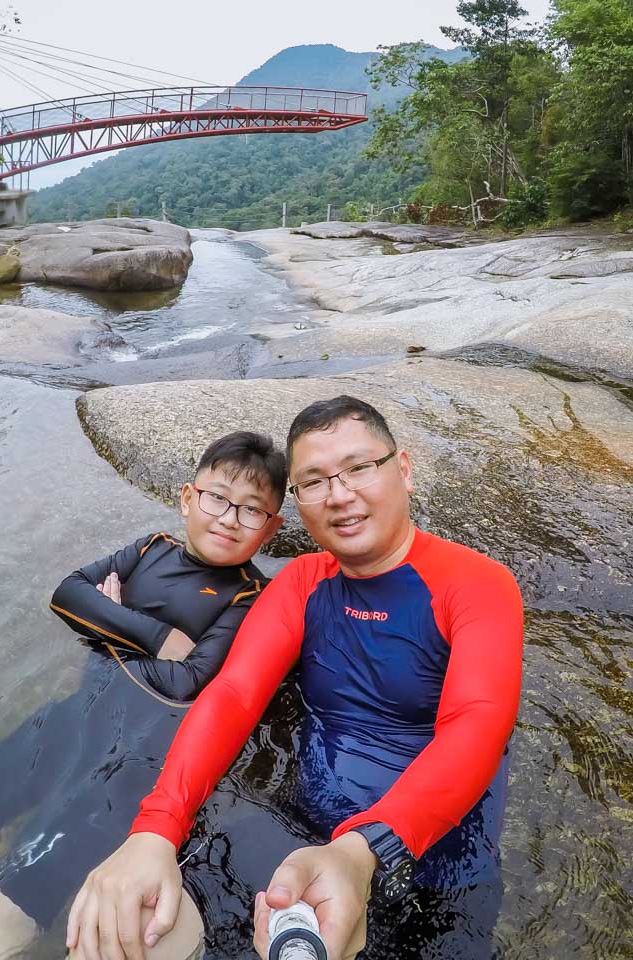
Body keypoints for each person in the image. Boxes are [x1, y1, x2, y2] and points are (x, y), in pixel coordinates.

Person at [66, 395, 524, 960]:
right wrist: (155, 829)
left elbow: (476, 726)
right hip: (298, 830)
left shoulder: (477, 583)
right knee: (127, 920)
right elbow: (233, 695)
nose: (339, 493)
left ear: (402, 469)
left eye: (358, 468)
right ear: (299, 504)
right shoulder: (304, 581)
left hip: (438, 865)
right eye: (313, 480)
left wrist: (363, 851)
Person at [0, 431, 287, 960]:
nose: (228, 518)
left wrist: (107, 622)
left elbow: (188, 683)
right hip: (70, 723)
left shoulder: (248, 596)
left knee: (2, 913)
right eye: (218, 497)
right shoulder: (151, 548)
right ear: (187, 496)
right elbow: (66, 594)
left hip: (129, 764)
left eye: (251, 511)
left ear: (272, 529)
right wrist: (152, 636)